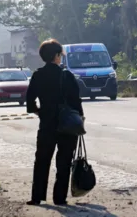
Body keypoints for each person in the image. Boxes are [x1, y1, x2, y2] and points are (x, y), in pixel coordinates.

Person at [26, 38, 84, 206]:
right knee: (64, 162)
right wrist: (80, 120)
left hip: (46, 125)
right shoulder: (67, 75)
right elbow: (76, 101)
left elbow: (30, 102)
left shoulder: (37, 75)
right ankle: (59, 198)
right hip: (67, 125)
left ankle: (37, 197)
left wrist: (41, 112)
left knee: (42, 161)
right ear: (57, 56)